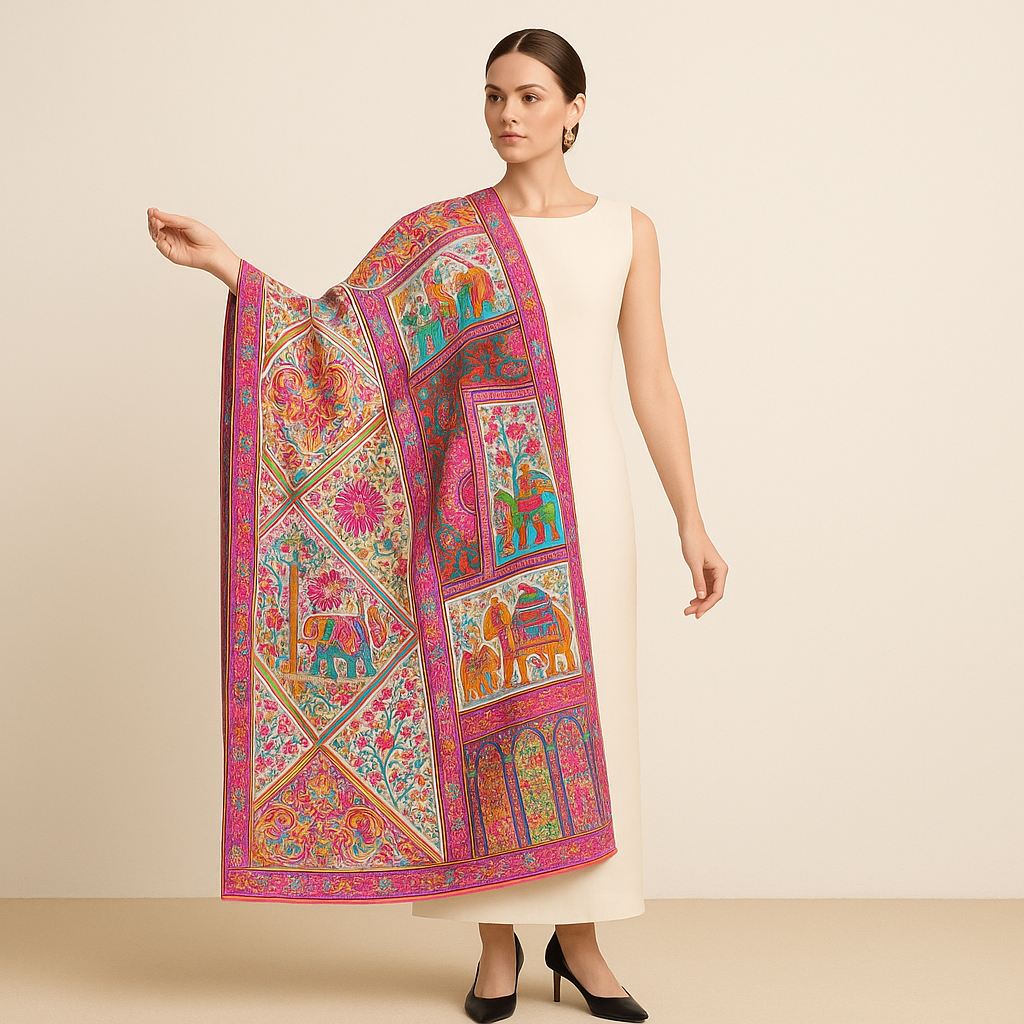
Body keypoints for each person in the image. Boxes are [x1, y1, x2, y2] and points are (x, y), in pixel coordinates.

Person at [148, 26, 727, 1024]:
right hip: (476, 524)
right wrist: (231, 269)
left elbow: (652, 381)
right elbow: (341, 338)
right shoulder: (443, 236)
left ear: (576, 110)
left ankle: (584, 944)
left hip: (588, 510)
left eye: (533, 97)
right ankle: (496, 946)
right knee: (486, 733)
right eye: (496, 95)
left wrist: (692, 519)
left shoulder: (628, 229)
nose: (510, 113)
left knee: (592, 731)